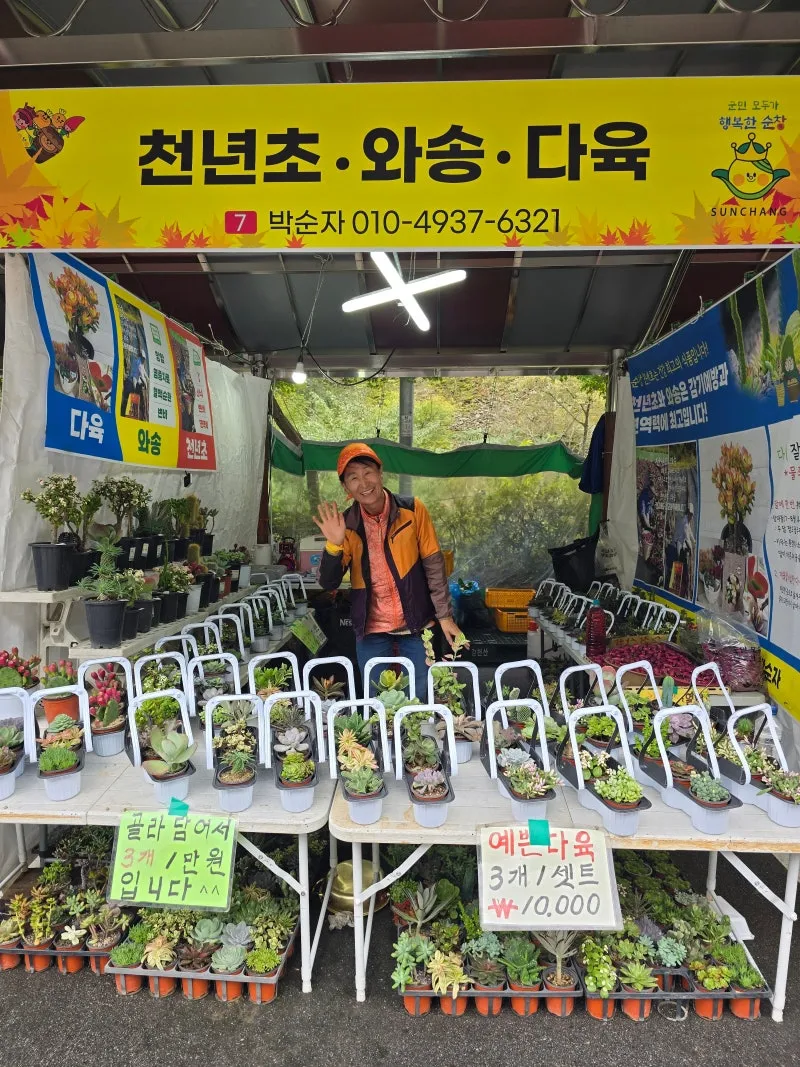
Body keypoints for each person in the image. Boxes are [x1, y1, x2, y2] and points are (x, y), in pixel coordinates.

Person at [313, 442, 464, 701]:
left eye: (368, 472)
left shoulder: (413, 510)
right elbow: (329, 582)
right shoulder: (346, 524)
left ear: (380, 473)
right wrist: (334, 545)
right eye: (353, 478)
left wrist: (445, 616)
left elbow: (434, 565)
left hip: (417, 625)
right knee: (377, 702)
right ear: (346, 488)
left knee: (419, 698)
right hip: (371, 629)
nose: (363, 483)